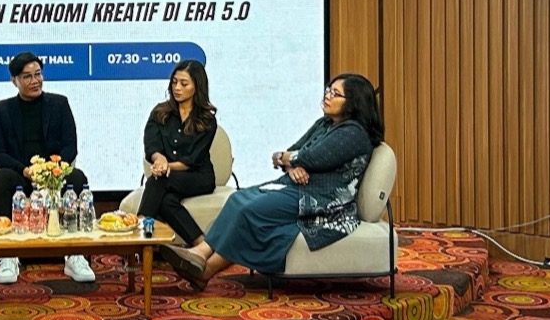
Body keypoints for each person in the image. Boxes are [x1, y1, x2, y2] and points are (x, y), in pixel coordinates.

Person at [159, 73, 383, 289]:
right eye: (328, 90)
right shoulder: (325, 124)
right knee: (238, 199)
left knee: (249, 211)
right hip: (297, 187)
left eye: (336, 94)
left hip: (320, 201)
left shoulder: (354, 133)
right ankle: (202, 260)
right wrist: (292, 164)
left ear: (353, 103)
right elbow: (291, 153)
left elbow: (312, 157)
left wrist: (291, 159)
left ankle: (203, 262)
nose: (327, 96)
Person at [0, 52, 96, 284]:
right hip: (20, 176)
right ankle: (8, 255)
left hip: (53, 176)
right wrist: (25, 170)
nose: (35, 81)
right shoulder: (2, 110)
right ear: (14, 80)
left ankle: (75, 254)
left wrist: (52, 170)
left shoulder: (59, 104)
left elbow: (70, 146)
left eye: (38, 74)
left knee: (77, 177)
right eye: (27, 76)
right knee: (2, 177)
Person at [138, 59, 218, 249]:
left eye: (184, 83)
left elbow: (192, 160)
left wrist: (166, 166)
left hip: (198, 176)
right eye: (174, 82)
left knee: (158, 180)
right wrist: (159, 159)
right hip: (167, 176)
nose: (177, 88)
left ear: (197, 86)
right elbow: (152, 146)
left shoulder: (207, 120)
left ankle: (139, 228)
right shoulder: (160, 113)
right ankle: (202, 245)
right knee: (166, 201)